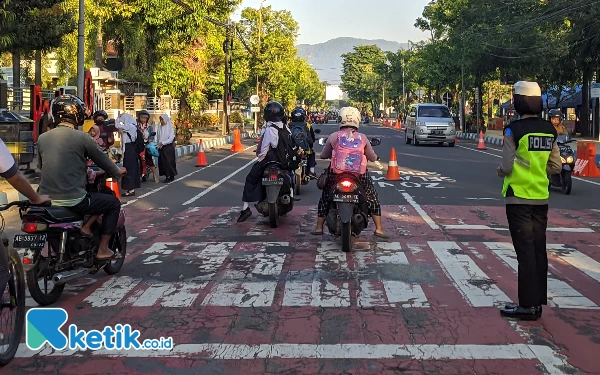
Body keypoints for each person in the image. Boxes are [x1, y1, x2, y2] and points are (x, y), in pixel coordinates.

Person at [497, 81, 562, 321]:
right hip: (541, 198)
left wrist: (501, 172)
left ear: (517, 102)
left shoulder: (513, 131)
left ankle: (526, 306)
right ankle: (537, 304)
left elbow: (506, 166)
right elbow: (555, 166)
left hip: (518, 197)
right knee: (538, 250)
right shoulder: (549, 130)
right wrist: (537, 168)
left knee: (524, 252)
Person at [37, 95, 126, 261]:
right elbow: (105, 162)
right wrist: (117, 172)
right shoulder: (82, 137)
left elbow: (42, 168)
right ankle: (103, 249)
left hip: (45, 199)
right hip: (74, 199)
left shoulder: (42, 138)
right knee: (112, 203)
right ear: (77, 114)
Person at [312, 107, 387, 238]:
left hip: (336, 173)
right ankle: (379, 229)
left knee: (326, 196)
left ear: (340, 119)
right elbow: (373, 157)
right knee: (371, 196)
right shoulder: (362, 138)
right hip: (359, 174)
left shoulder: (334, 136)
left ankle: (319, 227)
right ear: (357, 120)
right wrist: (374, 157)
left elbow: (324, 155)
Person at [237, 101, 300, 223]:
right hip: (284, 163)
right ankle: (290, 194)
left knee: (251, 178)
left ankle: (245, 208)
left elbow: (267, 147)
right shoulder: (285, 127)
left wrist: (259, 158)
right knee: (290, 176)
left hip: (270, 161)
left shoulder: (270, 129)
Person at [115, 113, 141, 196]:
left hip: (130, 150)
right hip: (129, 150)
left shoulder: (130, 127)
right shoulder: (132, 127)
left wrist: (118, 118)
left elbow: (117, 125)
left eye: (123, 121)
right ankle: (130, 189)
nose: (122, 122)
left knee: (129, 169)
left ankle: (131, 189)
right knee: (129, 168)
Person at [289, 107, 317, 179]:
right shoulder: (307, 125)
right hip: (305, 149)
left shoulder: (289, 125)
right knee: (312, 154)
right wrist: (310, 144)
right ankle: (312, 171)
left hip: (292, 149)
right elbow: (311, 139)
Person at [137, 110, 158, 183]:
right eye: (142, 117)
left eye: (145, 118)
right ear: (139, 118)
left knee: (149, 160)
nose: (143, 119)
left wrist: (150, 140)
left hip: (146, 146)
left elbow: (152, 136)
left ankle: (155, 175)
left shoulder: (150, 127)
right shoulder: (136, 126)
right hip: (138, 146)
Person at [157, 114, 177, 183]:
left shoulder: (170, 127)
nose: (161, 121)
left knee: (169, 162)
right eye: (160, 120)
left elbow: (171, 138)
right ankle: (167, 176)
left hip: (168, 147)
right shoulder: (159, 128)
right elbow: (158, 137)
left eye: (162, 120)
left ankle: (171, 176)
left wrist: (163, 143)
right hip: (161, 147)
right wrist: (158, 144)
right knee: (163, 163)